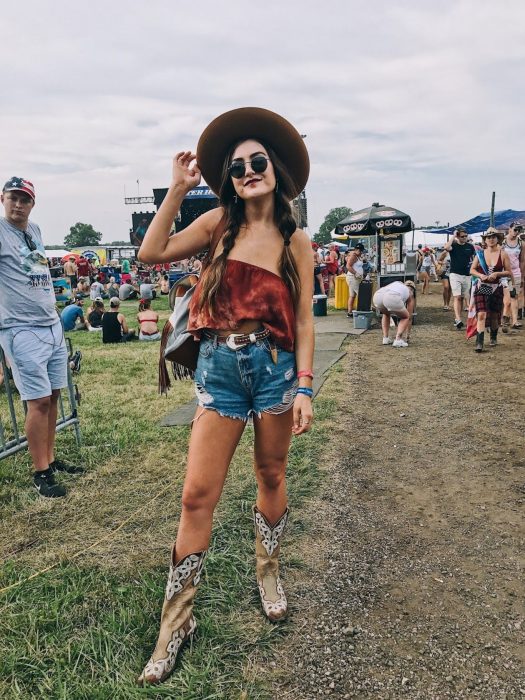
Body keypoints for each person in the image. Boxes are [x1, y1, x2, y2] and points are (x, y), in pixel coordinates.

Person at [135, 107, 313, 685]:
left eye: (257, 161)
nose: (247, 171)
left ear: (275, 169)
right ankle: (176, 622)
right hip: (220, 370)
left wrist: (305, 386)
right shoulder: (217, 224)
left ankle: (268, 571)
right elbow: (151, 254)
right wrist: (178, 190)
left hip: (274, 372)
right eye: (237, 166)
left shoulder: (296, 240)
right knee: (195, 496)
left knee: (270, 475)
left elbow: (306, 321)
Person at [0, 176, 81, 498]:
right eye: (13, 198)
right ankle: (41, 472)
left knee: (55, 395)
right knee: (38, 401)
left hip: (50, 324)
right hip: (20, 328)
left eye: (25, 200)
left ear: (33, 203)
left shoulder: (34, 230)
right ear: (3, 199)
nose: (19, 205)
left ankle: (50, 457)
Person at [470, 229, 511, 352]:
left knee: (494, 314)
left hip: (496, 288)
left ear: (497, 239)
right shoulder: (480, 254)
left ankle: (493, 336)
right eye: (488, 237)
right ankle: (479, 342)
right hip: (482, 287)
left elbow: (509, 272)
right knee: (481, 314)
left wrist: (498, 273)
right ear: (485, 240)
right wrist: (481, 275)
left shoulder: (503, 254)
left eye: (493, 237)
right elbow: (472, 270)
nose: (491, 239)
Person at [443, 227, 476, 329]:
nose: (464, 238)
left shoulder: (470, 247)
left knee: (462, 297)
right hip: (455, 274)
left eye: (466, 236)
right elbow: (446, 247)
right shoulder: (453, 245)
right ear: (458, 236)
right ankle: (458, 319)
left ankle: (458, 319)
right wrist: (453, 236)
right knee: (457, 296)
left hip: (467, 275)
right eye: (462, 236)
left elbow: (475, 258)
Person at [372, 280, 416, 348]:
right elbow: (409, 317)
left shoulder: (397, 284)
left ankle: (385, 338)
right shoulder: (410, 293)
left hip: (378, 295)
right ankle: (398, 339)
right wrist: (407, 335)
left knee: (386, 314)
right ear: (413, 289)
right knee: (405, 317)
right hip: (392, 296)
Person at [501, 223, 524, 332]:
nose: (516, 232)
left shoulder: (521, 243)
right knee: (507, 299)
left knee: (514, 296)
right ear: (509, 229)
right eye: (515, 229)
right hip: (503, 273)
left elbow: (522, 261)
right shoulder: (502, 242)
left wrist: (522, 276)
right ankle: (504, 320)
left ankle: (514, 321)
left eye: (519, 230)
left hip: (516, 273)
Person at [345, 243, 365, 316]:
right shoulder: (353, 256)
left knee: (352, 295)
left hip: (355, 278)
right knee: (361, 294)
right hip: (353, 278)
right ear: (357, 250)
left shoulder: (357, 256)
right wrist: (355, 273)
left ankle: (349, 312)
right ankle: (361, 311)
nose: (361, 253)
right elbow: (348, 266)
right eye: (360, 251)